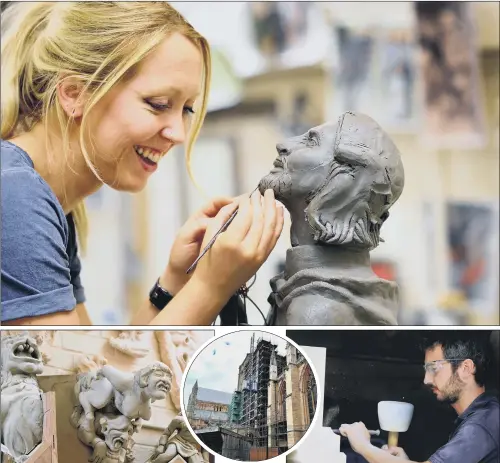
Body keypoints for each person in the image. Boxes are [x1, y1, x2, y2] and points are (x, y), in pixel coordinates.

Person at [1, 2, 284, 326]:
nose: (178, 133)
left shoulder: (52, 210)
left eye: (186, 110)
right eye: (158, 104)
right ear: (75, 93)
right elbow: (66, 378)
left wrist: (174, 283)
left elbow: (101, 363)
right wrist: (211, 285)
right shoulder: (16, 196)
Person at [258, 112, 404, 325]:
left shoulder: (317, 309)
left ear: (345, 181)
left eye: (311, 141)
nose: (283, 145)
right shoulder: (318, 293)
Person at [340, 335, 499, 463]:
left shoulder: (483, 423)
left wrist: (363, 446)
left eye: (433, 368)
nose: (426, 380)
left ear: (466, 368)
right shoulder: (482, 417)